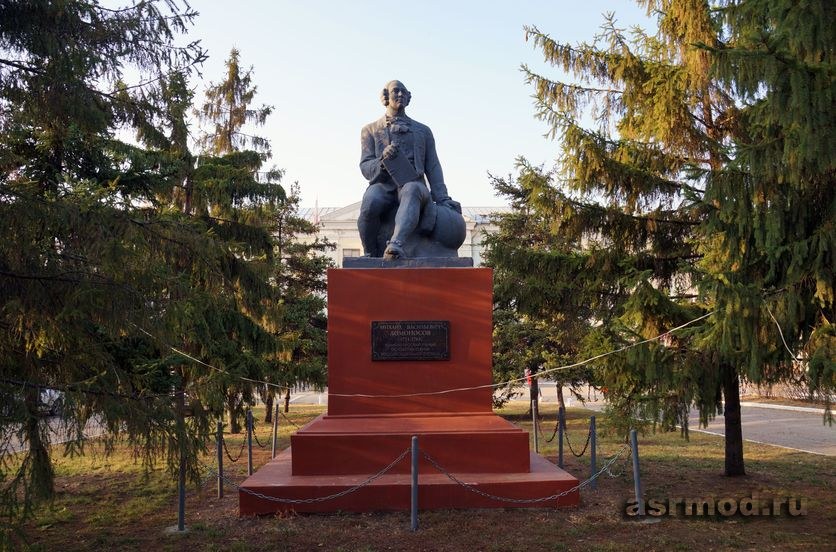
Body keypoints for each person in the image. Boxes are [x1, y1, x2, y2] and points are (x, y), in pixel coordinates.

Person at [358, 80, 461, 258]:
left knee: (412, 189)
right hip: (384, 185)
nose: (400, 95)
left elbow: (433, 166)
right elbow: (365, 166)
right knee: (370, 202)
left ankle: (396, 245)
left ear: (408, 97)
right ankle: (370, 252)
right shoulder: (370, 130)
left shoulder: (424, 131)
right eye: (395, 91)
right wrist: (383, 160)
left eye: (404, 92)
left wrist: (442, 198)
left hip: (414, 183)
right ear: (385, 96)